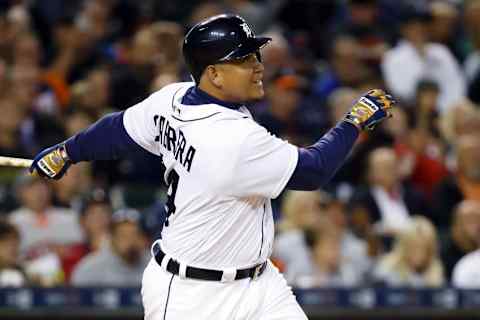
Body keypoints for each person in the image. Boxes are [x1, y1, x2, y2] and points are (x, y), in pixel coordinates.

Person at [29, 14, 394, 320]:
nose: (258, 67)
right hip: (193, 297)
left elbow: (118, 128)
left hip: (259, 286)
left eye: (255, 55)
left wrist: (67, 151)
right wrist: (353, 122)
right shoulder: (231, 139)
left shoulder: (173, 98)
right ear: (214, 75)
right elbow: (313, 171)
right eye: (244, 60)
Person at [71, 208, 149, 286]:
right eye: (123, 235)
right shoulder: (90, 268)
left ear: (143, 239)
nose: (130, 241)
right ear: (112, 239)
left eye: (134, 234)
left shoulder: (156, 264)